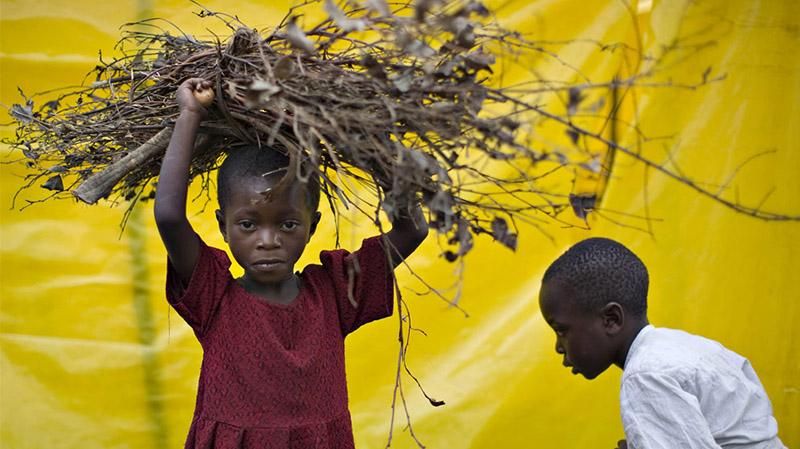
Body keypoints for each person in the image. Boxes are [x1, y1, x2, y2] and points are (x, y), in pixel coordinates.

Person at [154, 78, 429, 448]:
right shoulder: (213, 296)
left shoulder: (334, 291)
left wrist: (365, 138)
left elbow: (413, 229)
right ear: (223, 225)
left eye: (288, 224)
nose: (268, 241)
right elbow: (170, 216)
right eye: (248, 225)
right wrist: (190, 113)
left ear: (312, 225)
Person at [538, 237, 786, 449]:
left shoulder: (646, 376)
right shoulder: (688, 347)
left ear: (611, 320)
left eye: (561, 330)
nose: (558, 346)